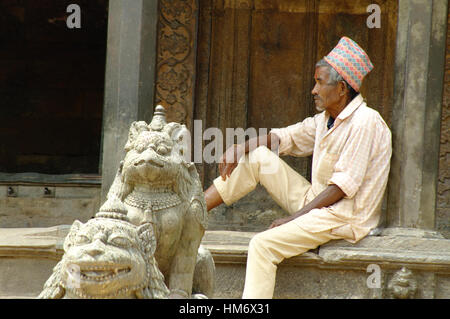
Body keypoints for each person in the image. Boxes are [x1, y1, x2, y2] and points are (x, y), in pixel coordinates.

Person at [203, 36, 392, 299]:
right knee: (258, 156)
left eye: (319, 82)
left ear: (341, 89)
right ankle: (195, 211)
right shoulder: (327, 119)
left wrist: (292, 220)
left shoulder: (365, 122)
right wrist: (241, 147)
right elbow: (286, 137)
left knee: (261, 245)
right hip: (318, 203)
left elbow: (341, 188)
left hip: (343, 217)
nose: (313, 90)